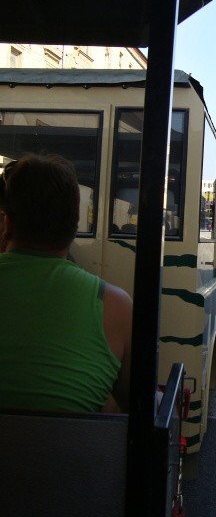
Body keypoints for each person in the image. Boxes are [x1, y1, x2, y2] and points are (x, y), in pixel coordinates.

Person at [0, 154, 132, 413]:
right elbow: (133, 403)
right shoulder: (116, 305)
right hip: (75, 440)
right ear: (74, 226)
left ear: (8, 223)